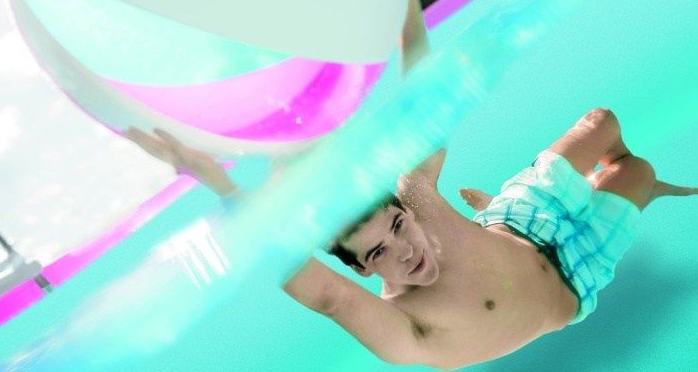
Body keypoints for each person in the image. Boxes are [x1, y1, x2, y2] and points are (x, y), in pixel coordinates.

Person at [127, 108, 696, 369]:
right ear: (363, 269)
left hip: (521, 221)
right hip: (577, 276)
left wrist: (404, 7)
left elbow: (432, 110)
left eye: (398, 227)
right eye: (379, 252)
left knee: (601, 124)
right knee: (637, 173)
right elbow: (324, 295)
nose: (406, 251)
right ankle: (643, 186)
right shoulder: (410, 330)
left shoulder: (414, 196)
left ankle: (499, 211)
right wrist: (222, 186)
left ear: (404, 212)